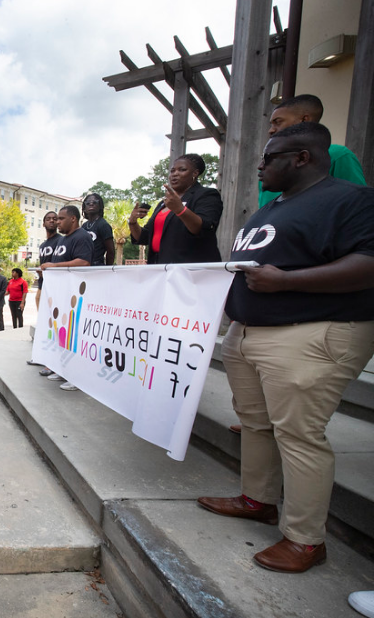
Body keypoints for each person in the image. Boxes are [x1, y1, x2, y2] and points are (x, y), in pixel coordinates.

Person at [196, 122, 374, 574]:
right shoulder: (271, 208)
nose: (260, 165)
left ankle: (305, 539)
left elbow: (368, 265)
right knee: (255, 423)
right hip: (250, 332)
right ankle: (257, 499)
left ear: (302, 158)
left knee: (298, 435)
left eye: (269, 157)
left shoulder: (352, 201)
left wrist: (287, 281)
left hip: (311, 331)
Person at [259, 94, 366, 207]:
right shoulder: (268, 164)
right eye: (271, 124)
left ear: (304, 120)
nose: (271, 130)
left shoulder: (337, 155)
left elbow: (359, 203)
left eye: (278, 122)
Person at [128, 154, 223, 264]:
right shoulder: (163, 204)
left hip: (190, 269)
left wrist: (180, 210)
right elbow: (145, 237)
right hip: (159, 267)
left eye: (182, 170)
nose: (175, 174)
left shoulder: (206, 195)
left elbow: (203, 229)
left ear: (195, 173)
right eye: (172, 171)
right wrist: (133, 222)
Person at [41, 205, 93, 390]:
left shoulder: (82, 237)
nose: (57, 222)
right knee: (62, 335)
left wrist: (54, 267)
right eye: (56, 219)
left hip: (75, 296)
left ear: (73, 219)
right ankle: (63, 370)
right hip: (61, 296)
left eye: (61, 219)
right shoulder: (64, 239)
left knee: (75, 336)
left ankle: (77, 377)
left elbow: (84, 261)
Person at [81, 194, 115, 266]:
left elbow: (110, 251)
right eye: (88, 203)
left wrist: (108, 269)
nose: (91, 204)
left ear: (100, 206)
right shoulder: (84, 226)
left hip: (97, 266)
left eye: (94, 202)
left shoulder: (103, 225)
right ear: (84, 207)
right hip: (83, 266)